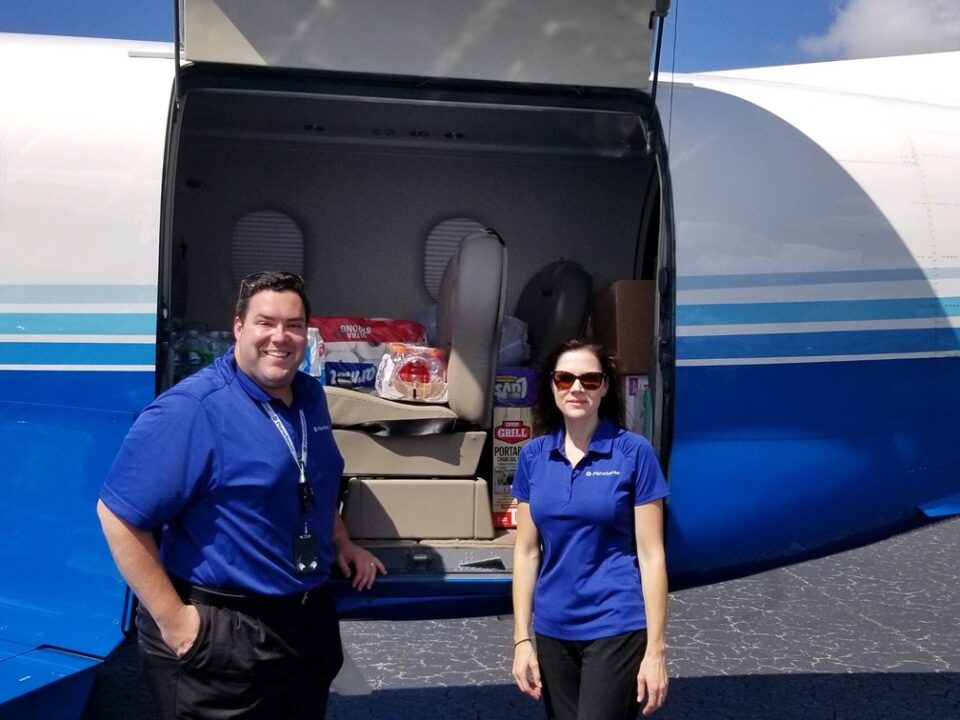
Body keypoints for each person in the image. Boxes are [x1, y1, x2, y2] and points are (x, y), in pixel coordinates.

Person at [97, 270, 386, 720]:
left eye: (293, 325)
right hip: (222, 634)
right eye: (265, 322)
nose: (280, 337)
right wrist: (177, 624)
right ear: (238, 327)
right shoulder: (194, 409)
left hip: (306, 627)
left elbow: (313, 480)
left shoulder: (309, 395)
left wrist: (342, 542)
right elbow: (118, 514)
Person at [511, 338, 670, 719]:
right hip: (553, 627)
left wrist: (656, 649)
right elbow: (527, 551)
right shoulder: (533, 457)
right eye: (565, 379)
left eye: (590, 379)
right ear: (552, 386)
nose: (577, 388)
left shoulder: (633, 453)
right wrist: (521, 638)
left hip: (615, 621)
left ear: (605, 388)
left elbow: (651, 555)